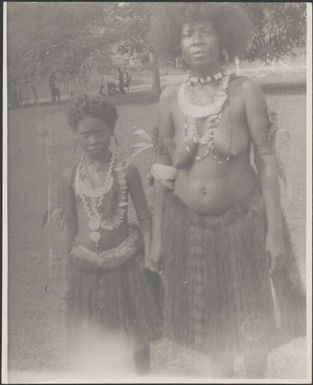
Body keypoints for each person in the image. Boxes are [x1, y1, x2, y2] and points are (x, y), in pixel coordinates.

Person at [147, 3, 305, 379]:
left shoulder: (245, 90)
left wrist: (276, 232)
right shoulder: (170, 98)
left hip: (243, 225)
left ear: (224, 38)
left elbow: (266, 161)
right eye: (188, 34)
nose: (196, 41)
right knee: (212, 327)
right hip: (189, 230)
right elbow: (162, 170)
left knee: (252, 324)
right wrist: (156, 237)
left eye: (205, 31)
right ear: (177, 42)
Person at [63, 95, 161, 374]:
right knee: (94, 337)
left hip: (125, 264)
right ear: (76, 135)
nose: (93, 140)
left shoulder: (127, 170)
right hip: (85, 268)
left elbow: (144, 216)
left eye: (100, 132)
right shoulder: (70, 176)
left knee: (137, 334)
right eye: (86, 134)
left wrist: (150, 254)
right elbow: (70, 225)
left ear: (112, 131)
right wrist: (66, 273)